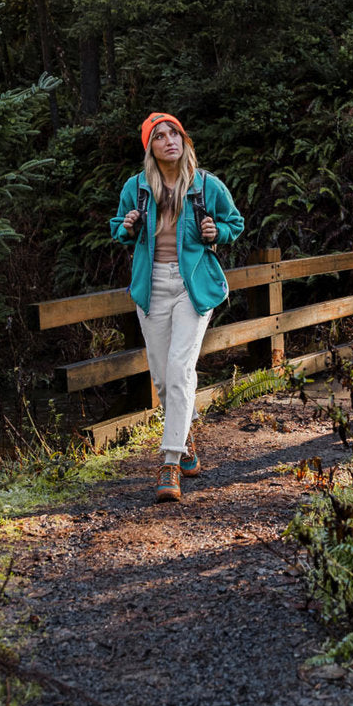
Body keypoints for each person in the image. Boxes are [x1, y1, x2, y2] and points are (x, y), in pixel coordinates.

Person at [110, 112, 244, 502]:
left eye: (175, 133)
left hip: (192, 287)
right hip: (151, 289)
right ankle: (185, 436)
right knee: (164, 379)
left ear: (184, 140)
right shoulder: (136, 188)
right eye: (159, 136)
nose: (169, 140)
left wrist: (217, 231)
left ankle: (170, 463)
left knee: (181, 367)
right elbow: (117, 227)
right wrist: (129, 225)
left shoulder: (206, 186)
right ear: (150, 147)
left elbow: (234, 223)